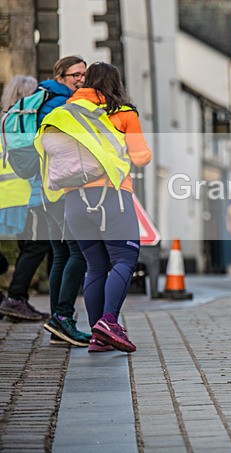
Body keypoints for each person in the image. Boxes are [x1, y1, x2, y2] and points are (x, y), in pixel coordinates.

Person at [58, 62, 152, 353]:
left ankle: (98, 336)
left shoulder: (65, 112)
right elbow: (140, 157)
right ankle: (109, 322)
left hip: (74, 200)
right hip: (112, 196)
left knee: (96, 266)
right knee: (125, 259)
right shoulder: (123, 113)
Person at [35, 56, 93, 347]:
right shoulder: (60, 105)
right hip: (61, 191)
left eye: (84, 74)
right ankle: (63, 317)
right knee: (78, 253)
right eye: (75, 75)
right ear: (60, 76)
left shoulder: (45, 99)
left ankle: (57, 323)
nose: (81, 80)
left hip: (46, 190)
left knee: (60, 255)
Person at [0, 75, 51, 323]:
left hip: (7, 197)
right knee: (37, 245)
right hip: (25, 196)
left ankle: (14, 299)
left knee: (27, 248)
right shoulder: (25, 124)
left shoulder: (5, 122)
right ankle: (16, 298)